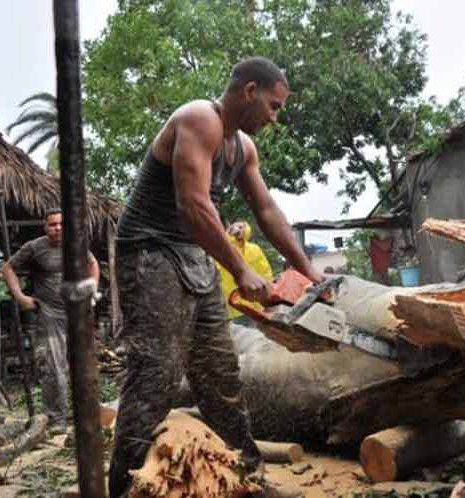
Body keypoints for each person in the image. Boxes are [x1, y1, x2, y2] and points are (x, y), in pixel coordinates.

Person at [109, 57, 323, 497]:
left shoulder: (243, 147)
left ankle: (246, 475)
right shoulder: (198, 120)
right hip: (150, 251)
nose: (274, 117)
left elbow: (267, 211)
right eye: (274, 106)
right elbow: (194, 206)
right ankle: (125, 487)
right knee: (156, 375)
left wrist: (309, 272)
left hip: (193, 253)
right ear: (250, 91)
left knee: (220, 374)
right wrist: (240, 269)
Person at [2, 208, 100, 434]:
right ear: (45, 227)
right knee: (54, 369)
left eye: (61, 224)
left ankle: (82, 415)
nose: (57, 228)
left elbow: (92, 264)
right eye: (53, 224)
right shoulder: (34, 248)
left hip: (77, 315)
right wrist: (19, 296)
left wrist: (91, 290)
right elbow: (7, 268)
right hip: (50, 315)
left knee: (82, 366)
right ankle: (56, 419)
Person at [217, 220, 273, 324]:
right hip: (226, 309)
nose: (239, 229)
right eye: (236, 226)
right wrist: (228, 236)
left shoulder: (254, 249)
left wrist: (268, 301)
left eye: (242, 226)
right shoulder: (219, 248)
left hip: (253, 308)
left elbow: (266, 274)